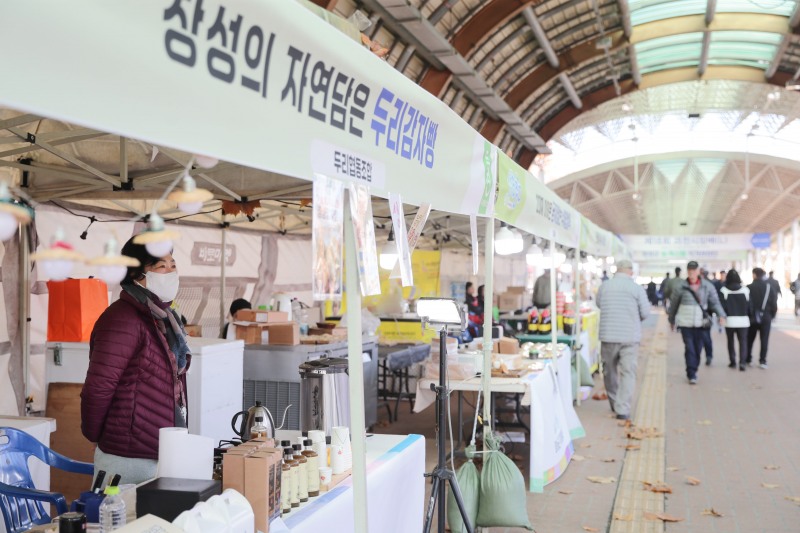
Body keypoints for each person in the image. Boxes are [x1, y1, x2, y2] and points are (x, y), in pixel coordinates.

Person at [81, 236, 190, 484]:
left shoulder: (163, 316)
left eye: (173, 265)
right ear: (137, 274)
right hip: (127, 455)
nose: (171, 272)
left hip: (159, 447)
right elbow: (98, 387)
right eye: (161, 266)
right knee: (120, 520)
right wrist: (101, 436)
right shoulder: (122, 319)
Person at [596, 259, 650, 420]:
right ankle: (622, 409)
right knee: (628, 372)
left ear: (616, 271)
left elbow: (599, 304)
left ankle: (614, 402)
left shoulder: (604, 286)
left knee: (609, 372)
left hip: (608, 335)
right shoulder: (636, 288)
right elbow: (646, 312)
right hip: (629, 337)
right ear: (630, 272)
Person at [668, 260, 726, 384]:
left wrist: (721, 314)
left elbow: (715, 302)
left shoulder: (707, 286)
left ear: (698, 271)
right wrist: (671, 320)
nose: (691, 273)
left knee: (698, 348)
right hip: (685, 323)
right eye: (689, 270)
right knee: (689, 348)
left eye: (693, 270)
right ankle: (691, 373)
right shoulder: (680, 286)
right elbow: (673, 305)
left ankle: (694, 367)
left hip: (701, 323)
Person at [747, 267, 778, 369]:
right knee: (764, 339)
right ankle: (763, 361)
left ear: (754, 274)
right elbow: (774, 303)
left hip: (752, 317)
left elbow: (746, 303)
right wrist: (772, 315)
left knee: (750, 339)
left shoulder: (749, 287)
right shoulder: (769, 287)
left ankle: (748, 358)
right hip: (766, 316)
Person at [719, 269, 750, 371]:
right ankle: (742, 363)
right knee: (743, 342)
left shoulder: (723, 290)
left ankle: (733, 361)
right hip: (743, 321)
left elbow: (721, 307)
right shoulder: (746, 290)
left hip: (730, 321)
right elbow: (750, 307)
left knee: (730, 341)